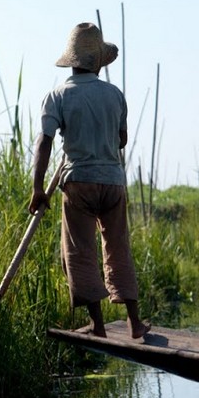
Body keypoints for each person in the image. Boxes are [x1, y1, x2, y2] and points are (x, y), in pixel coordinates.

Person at [28, 22, 150, 339]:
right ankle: (135, 323)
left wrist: (38, 188)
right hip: (112, 182)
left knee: (80, 252)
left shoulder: (57, 96)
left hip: (79, 182)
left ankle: (97, 326)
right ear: (97, 62)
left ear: (72, 61)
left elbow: (44, 143)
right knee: (118, 248)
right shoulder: (115, 95)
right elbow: (121, 140)